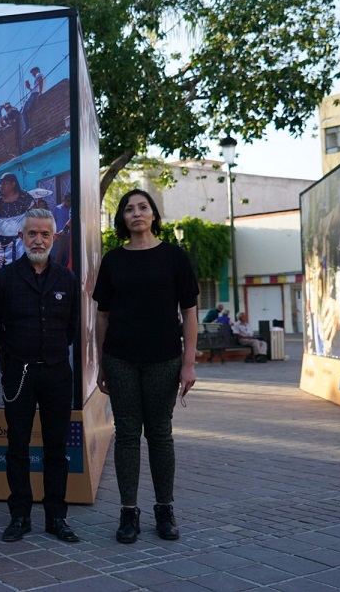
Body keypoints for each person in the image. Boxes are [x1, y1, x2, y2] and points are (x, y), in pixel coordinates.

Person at [92, 189, 198, 544]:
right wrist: (101, 363)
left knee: (159, 434)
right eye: (129, 209)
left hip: (164, 359)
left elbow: (189, 313)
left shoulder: (174, 257)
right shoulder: (113, 261)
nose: (136, 213)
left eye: (143, 207)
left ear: (154, 214)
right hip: (120, 359)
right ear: (122, 218)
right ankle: (128, 512)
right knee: (126, 435)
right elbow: (101, 316)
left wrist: (188, 364)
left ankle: (164, 509)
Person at [0, 209, 80, 544]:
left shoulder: (67, 280)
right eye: (32, 234)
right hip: (19, 375)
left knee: (56, 448)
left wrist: (50, 350)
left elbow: (71, 328)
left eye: (45, 234)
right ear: (22, 237)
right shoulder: (4, 278)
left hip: (56, 374)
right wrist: (9, 352)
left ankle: (56, 517)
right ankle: (20, 516)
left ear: (54, 239)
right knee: (17, 447)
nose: (38, 240)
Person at [0, 172, 34, 270]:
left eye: (4, 183)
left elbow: (36, 215)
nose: (1, 186)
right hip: (1, 242)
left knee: (22, 268)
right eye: (0, 183)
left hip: (21, 241)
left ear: (13, 184)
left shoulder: (25, 198)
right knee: (2, 269)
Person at [21, 66, 44, 132]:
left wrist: (40, 93)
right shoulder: (38, 77)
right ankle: (28, 127)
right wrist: (29, 88)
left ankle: (27, 128)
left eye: (33, 73)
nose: (33, 75)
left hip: (35, 94)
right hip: (35, 93)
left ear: (37, 71)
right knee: (28, 110)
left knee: (23, 111)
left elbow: (40, 81)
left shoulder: (38, 75)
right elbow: (36, 89)